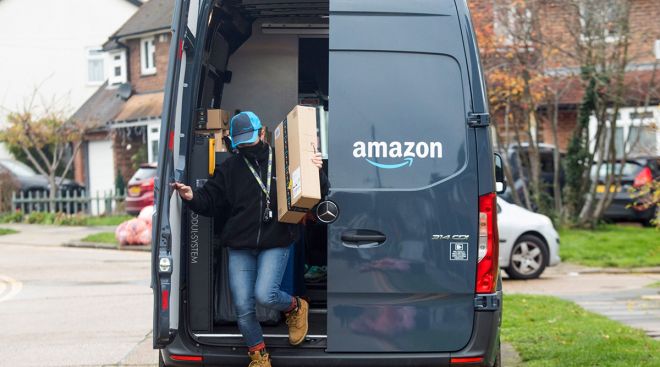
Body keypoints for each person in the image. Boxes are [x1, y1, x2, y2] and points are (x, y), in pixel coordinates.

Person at [171, 111, 328, 367]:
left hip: (276, 240)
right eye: (240, 141)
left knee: (265, 295)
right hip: (240, 245)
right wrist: (191, 196)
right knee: (243, 306)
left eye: (250, 139)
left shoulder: (284, 160)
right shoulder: (229, 168)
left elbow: (317, 190)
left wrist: (317, 171)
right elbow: (210, 200)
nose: (245, 145)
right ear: (233, 141)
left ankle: (295, 307)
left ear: (262, 133)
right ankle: (259, 356)